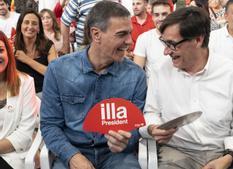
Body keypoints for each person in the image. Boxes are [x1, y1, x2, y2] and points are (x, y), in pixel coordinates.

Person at [139, 6, 233, 169]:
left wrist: (228, 157)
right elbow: (151, 112)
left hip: (223, 152)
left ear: (198, 40)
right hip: (176, 153)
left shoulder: (232, 73)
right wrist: (153, 128)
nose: (166, 51)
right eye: (164, 43)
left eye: (172, 44)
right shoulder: (161, 72)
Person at [40, 1, 147, 169]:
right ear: (96, 34)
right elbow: (50, 125)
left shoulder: (136, 76)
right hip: (72, 151)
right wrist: (72, 156)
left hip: (117, 156)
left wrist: (126, 140)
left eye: (130, 34)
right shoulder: (58, 70)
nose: (129, 42)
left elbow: (137, 127)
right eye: (121, 34)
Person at [0, 30, 39, 169]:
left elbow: (24, 134)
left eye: (0, 50)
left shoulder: (26, 83)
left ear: (8, 53)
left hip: (12, 155)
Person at [14, 10, 57, 97]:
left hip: (44, 92)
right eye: (26, 22)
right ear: (20, 26)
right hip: (20, 93)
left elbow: (53, 73)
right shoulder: (12, 45)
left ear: (39, 28)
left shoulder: (48, 45)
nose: (30, 26)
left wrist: (26, 59)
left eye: (34, 23)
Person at [133, 0, 172, 79]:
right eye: (156, 15)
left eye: (164, 14)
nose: (160, 18)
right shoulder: (143, 38)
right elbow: (137, 72)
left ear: (171, 15)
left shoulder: (181, 37)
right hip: (153, 89)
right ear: (152, 17)